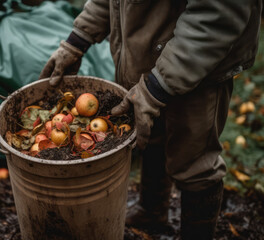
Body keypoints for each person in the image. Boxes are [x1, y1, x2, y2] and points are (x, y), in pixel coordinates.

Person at [39, 0, 262, 239]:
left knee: (195, 163)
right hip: (146, 57)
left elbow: (216, 16)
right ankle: (151, 211)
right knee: (150, 133)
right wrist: (77, 39)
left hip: (197, 68)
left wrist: (157, 87)